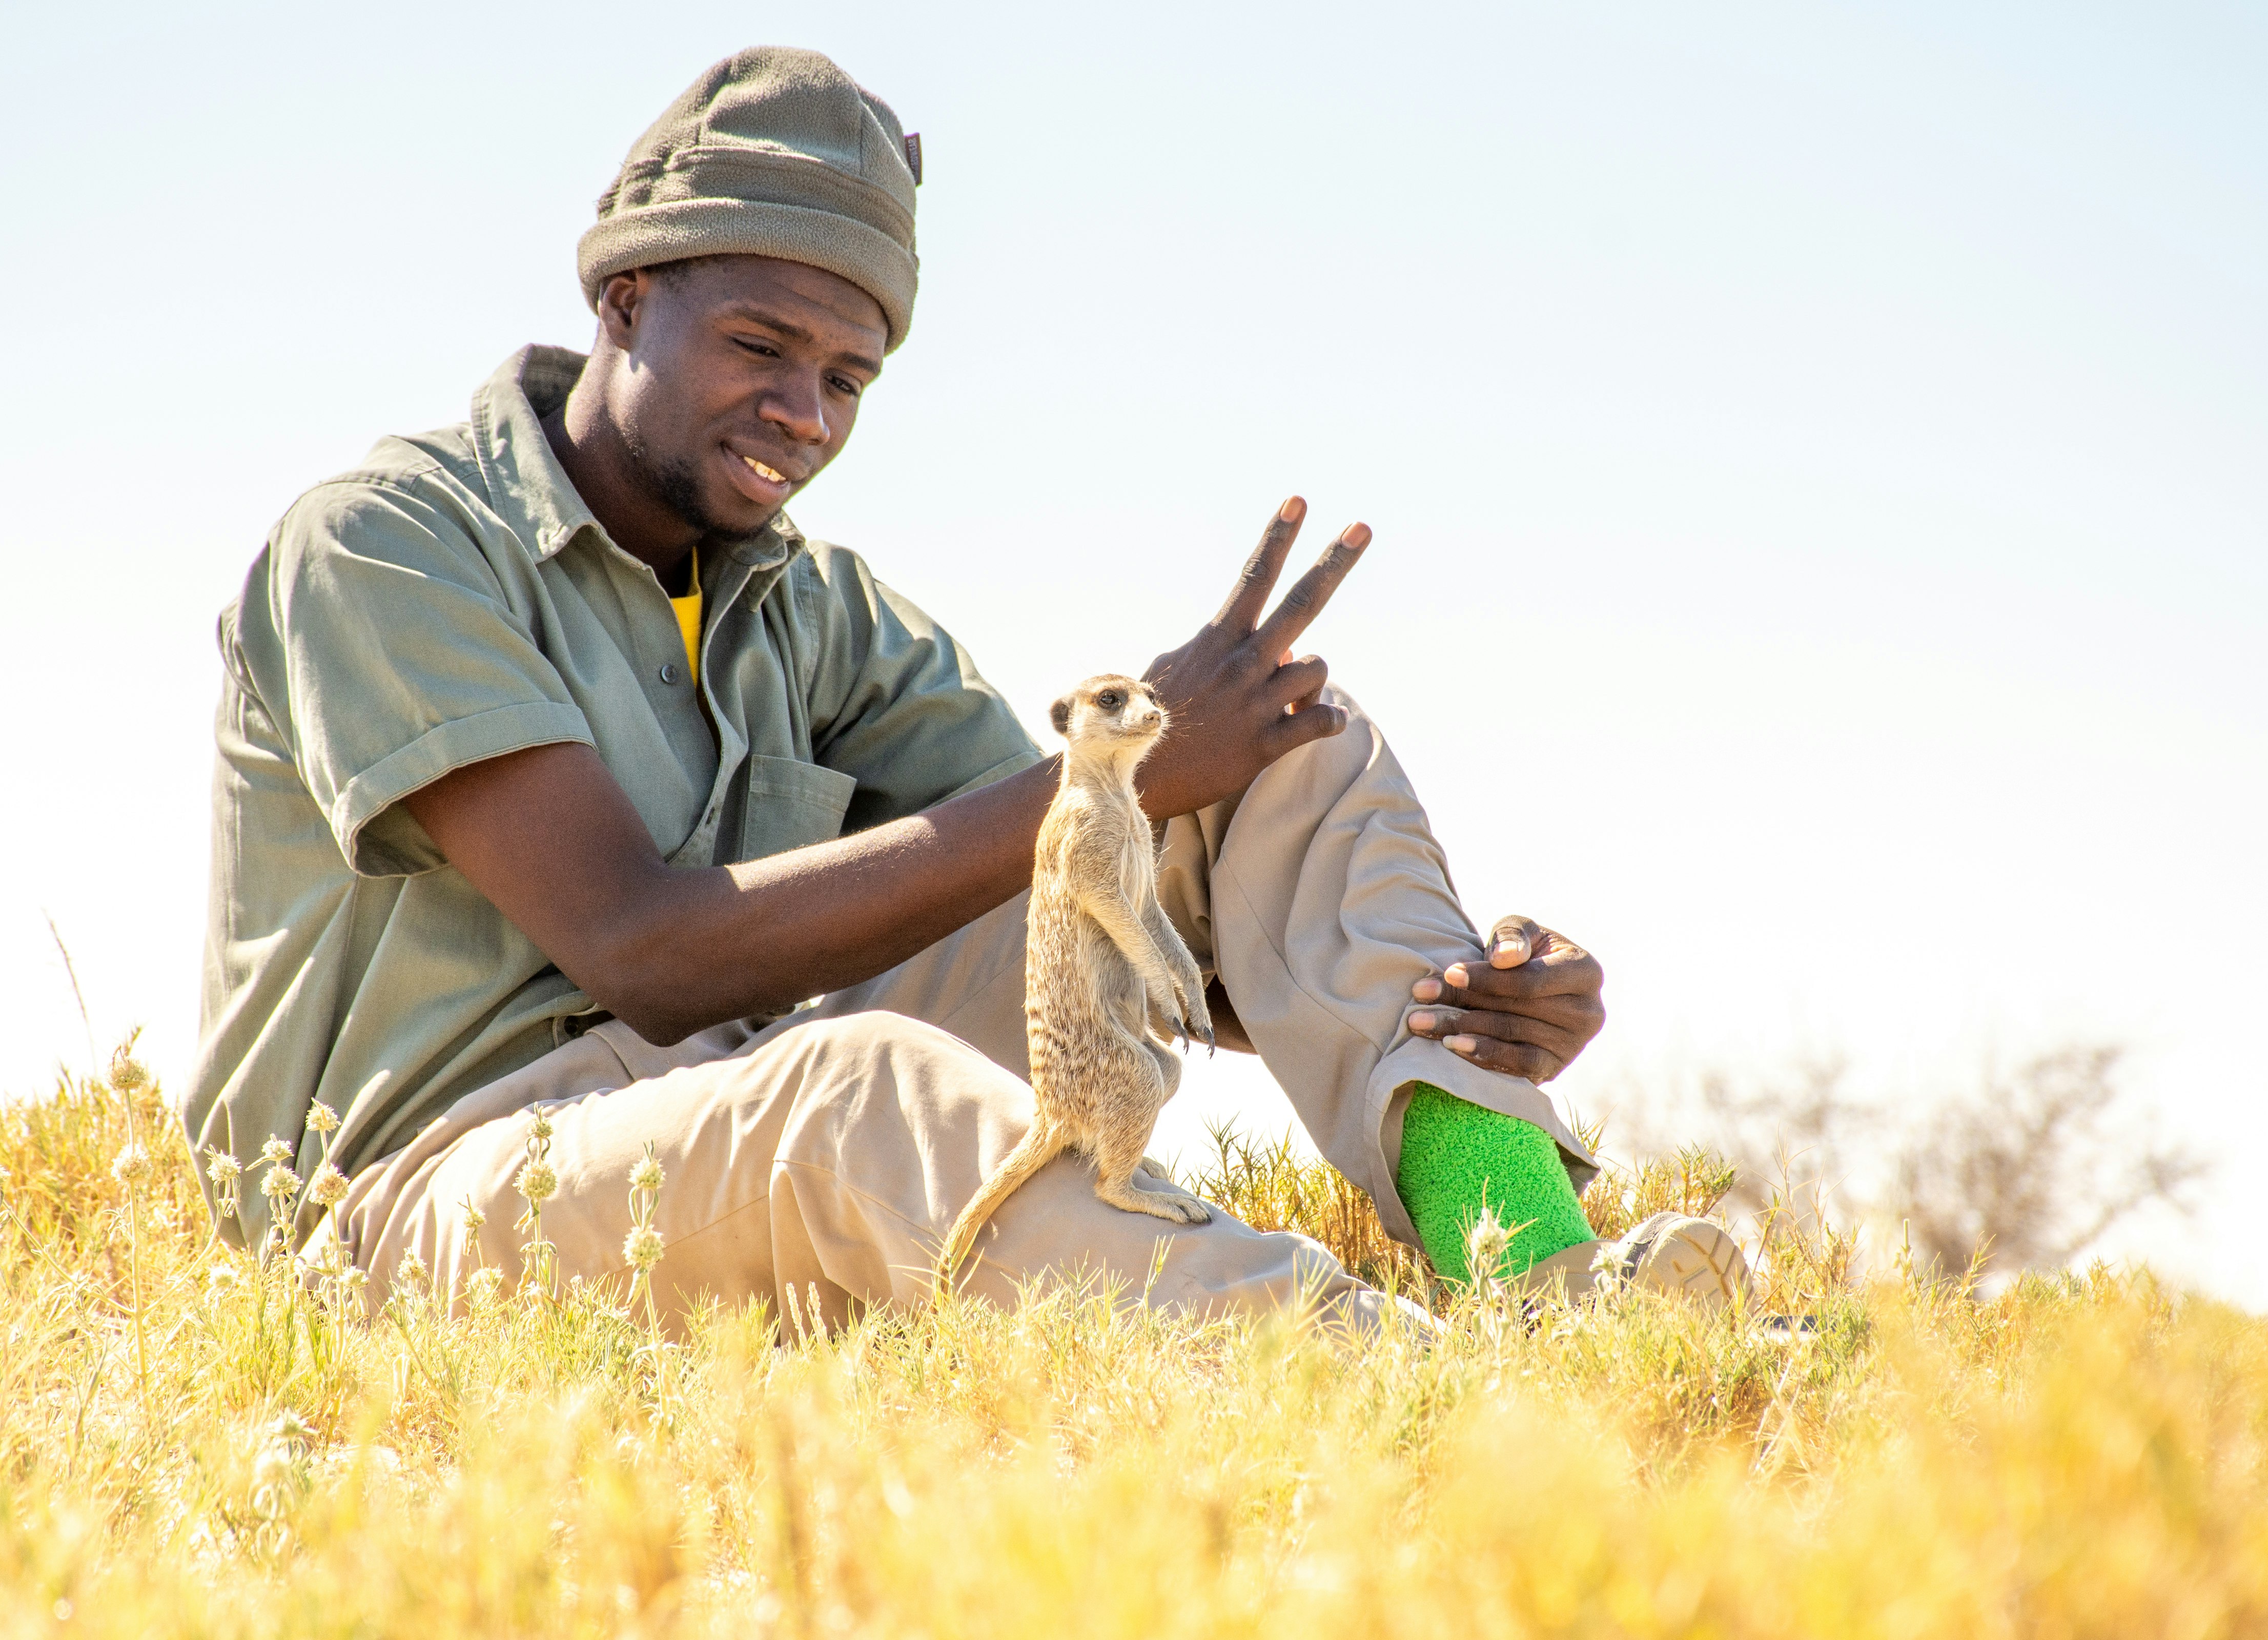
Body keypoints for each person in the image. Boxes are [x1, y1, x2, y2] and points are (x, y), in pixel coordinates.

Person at [182, 46, 1744, 1338]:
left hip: (727, 1109)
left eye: (848, 378)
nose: (802, 414)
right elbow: (644, 953)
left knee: (1280, 755)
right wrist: (1098, 787)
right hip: (420, 1209)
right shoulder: (384, 547)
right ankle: (1380, 1378)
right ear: (623, 300)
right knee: (875, 1084)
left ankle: (1535, 1265)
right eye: (760, 345)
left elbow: (1109, 928)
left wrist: (1454, 1003)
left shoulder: (818, 608)